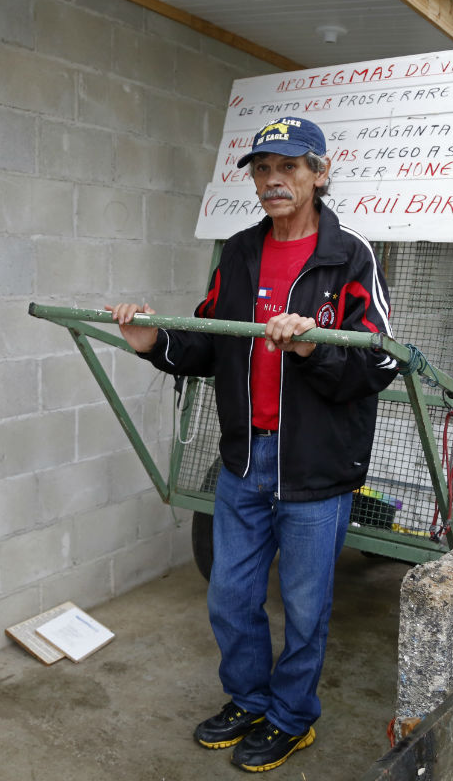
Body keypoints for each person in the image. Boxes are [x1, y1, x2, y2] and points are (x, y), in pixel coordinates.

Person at [107, 117, 398, 773]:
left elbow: (380, 364)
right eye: (263, 169)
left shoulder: (349, 255)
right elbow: (206, 340)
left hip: (315, 469)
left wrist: (308, 348)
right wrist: (156, 342)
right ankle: (248, 697)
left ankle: (292, 717)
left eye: (289, 167)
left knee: (302, 604)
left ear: (320, 173)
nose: (274, 180)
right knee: (231, 596)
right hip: (244, 458)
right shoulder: (239, 253)